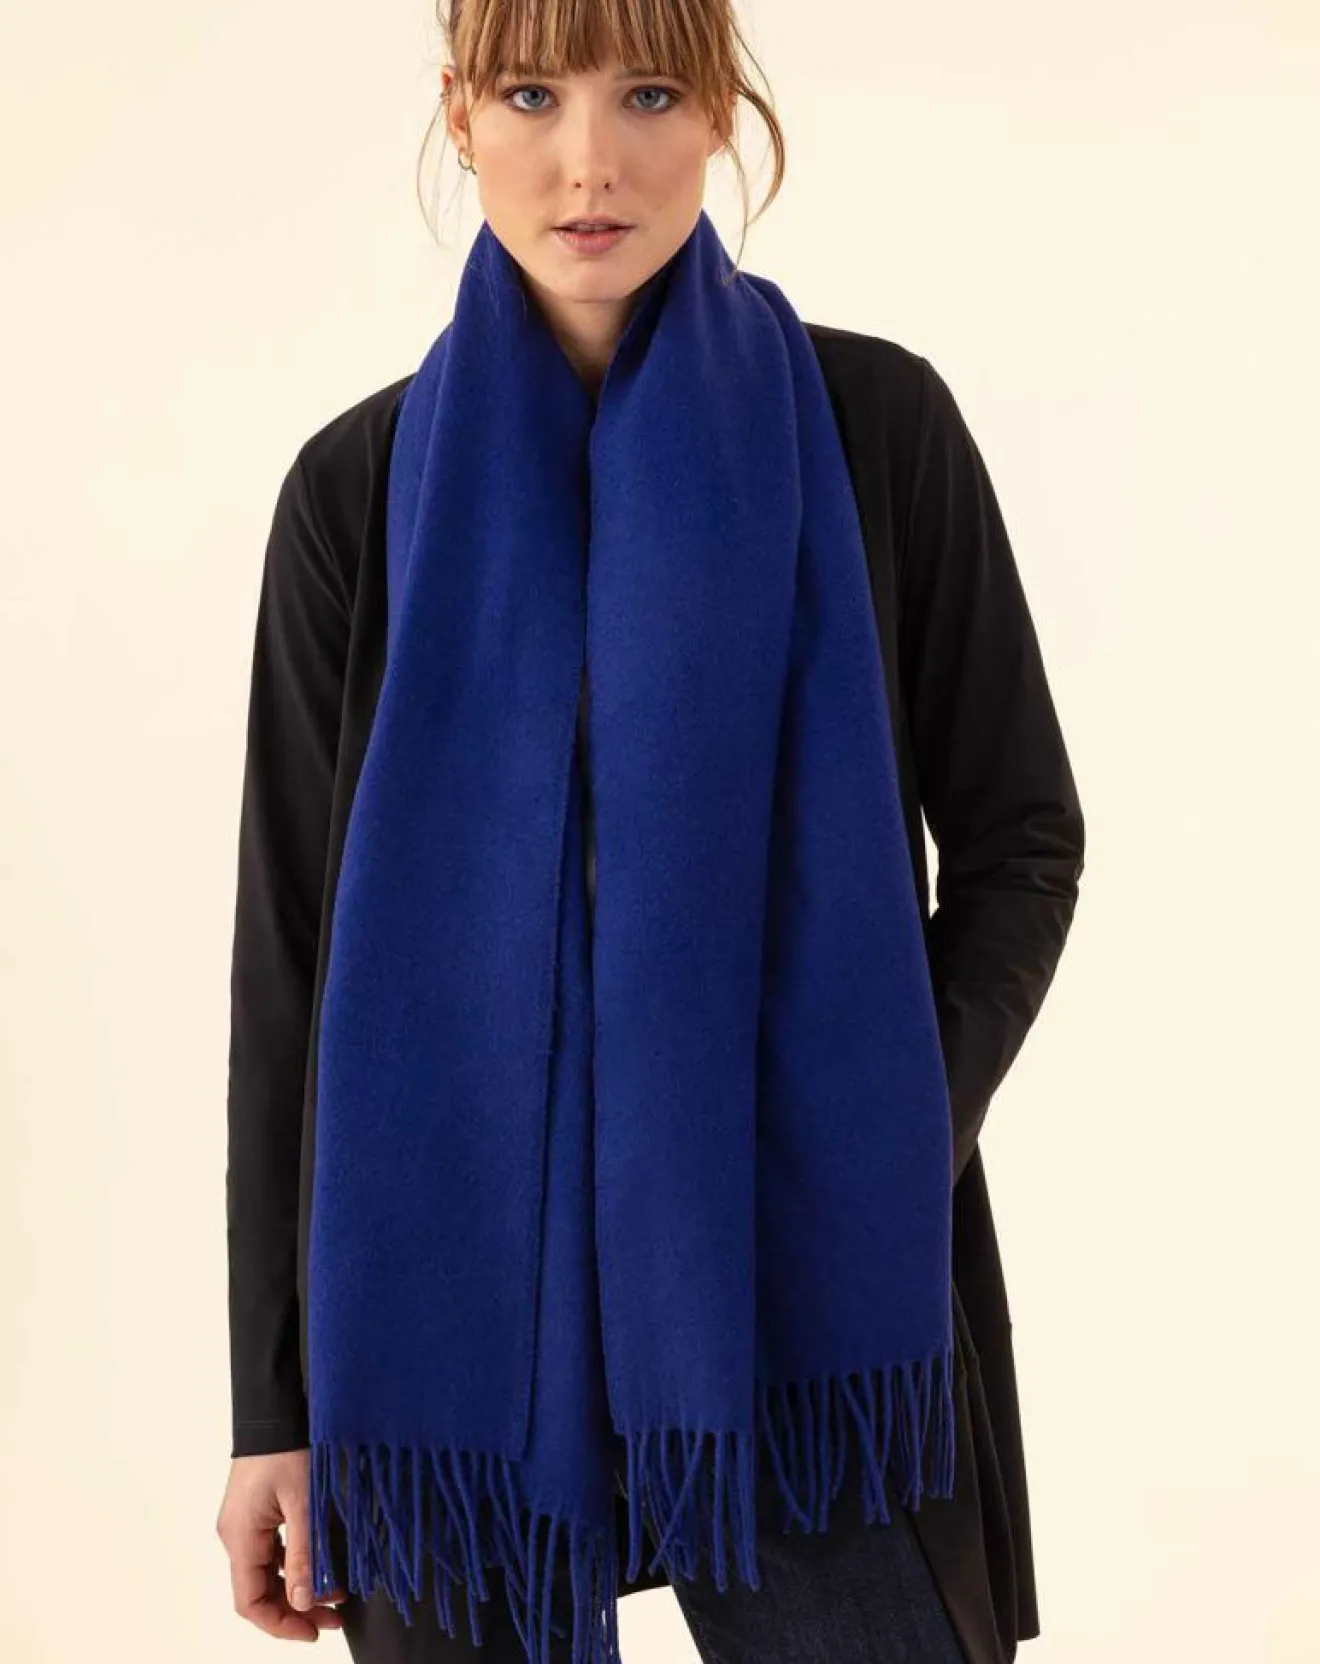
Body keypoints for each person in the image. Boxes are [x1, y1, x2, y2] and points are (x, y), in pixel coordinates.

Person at [214, 4, 1085, 1662]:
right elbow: (292, 970)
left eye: (651, 91)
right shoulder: (359, 490)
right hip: (452, 1346)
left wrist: (886, 1124)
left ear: (723, 115)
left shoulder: (875, 428)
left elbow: (1022, 837)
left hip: (810, 1315)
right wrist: (273, 1408)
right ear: (459, 115)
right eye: (533, 94)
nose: (590, 160)